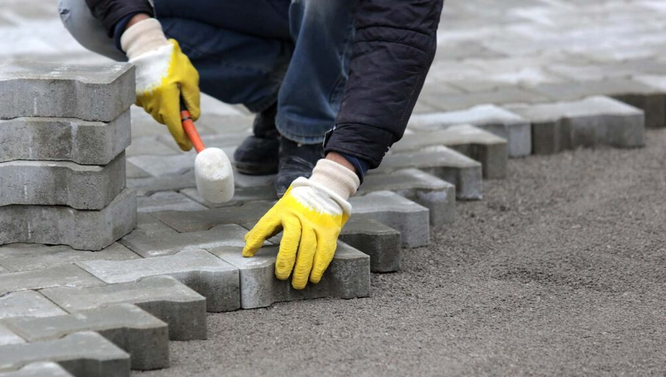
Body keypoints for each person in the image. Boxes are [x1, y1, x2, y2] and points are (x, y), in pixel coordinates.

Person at [58, 0, 443, 290]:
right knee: (82, 11)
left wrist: (337, 178)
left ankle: (310, 125)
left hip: (346, 16)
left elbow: (399, 31)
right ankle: (288, 92)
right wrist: (144, 41)